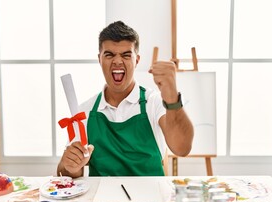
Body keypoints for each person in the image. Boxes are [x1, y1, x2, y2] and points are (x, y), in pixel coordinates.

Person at [57, 21, 194, 177]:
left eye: (126, 55)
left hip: (151, 198)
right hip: (102, 199)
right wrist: (70, 166)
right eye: (109, 55)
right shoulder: (84, 111)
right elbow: (64, 173)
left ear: (137, 60)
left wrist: (172, 96)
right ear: (99, 59)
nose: (117, 61)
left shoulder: (154, 102)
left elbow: (182, 148)